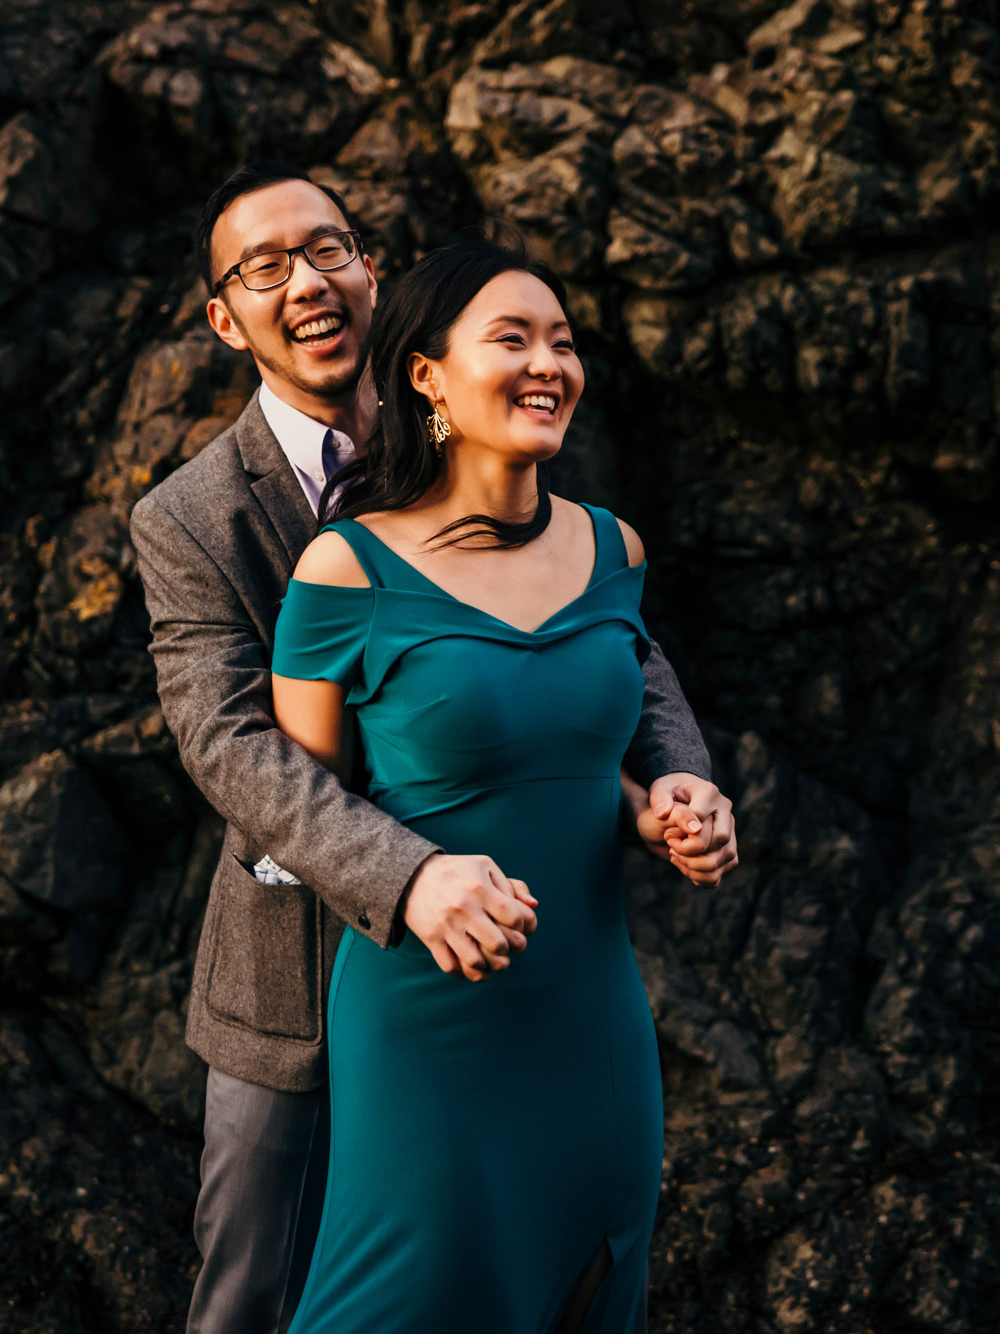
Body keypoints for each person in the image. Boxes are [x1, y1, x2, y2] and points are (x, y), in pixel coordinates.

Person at [129, 160, 739, 1334]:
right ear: (223, 317)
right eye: (266, 267)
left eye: (331, 249)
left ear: (371, 273)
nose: (307, 281)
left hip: (530, 954)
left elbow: (610, 646)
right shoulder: (189, 515)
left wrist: (679, 773)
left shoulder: (500, 432)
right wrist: (404, 876)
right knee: (254, 1293)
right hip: (297, 964)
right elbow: (232, 744)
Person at [270, 231, 712, 1334]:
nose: (547, 364)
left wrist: (665, 804)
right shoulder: (345, 569)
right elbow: (301, 812)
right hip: (429, 1025)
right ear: (425, 373)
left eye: (561, 342)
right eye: (510, 337)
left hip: (595, 1017)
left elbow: (581, 749)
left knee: (587, 1292)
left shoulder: (614, 550)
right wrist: (419, 878)